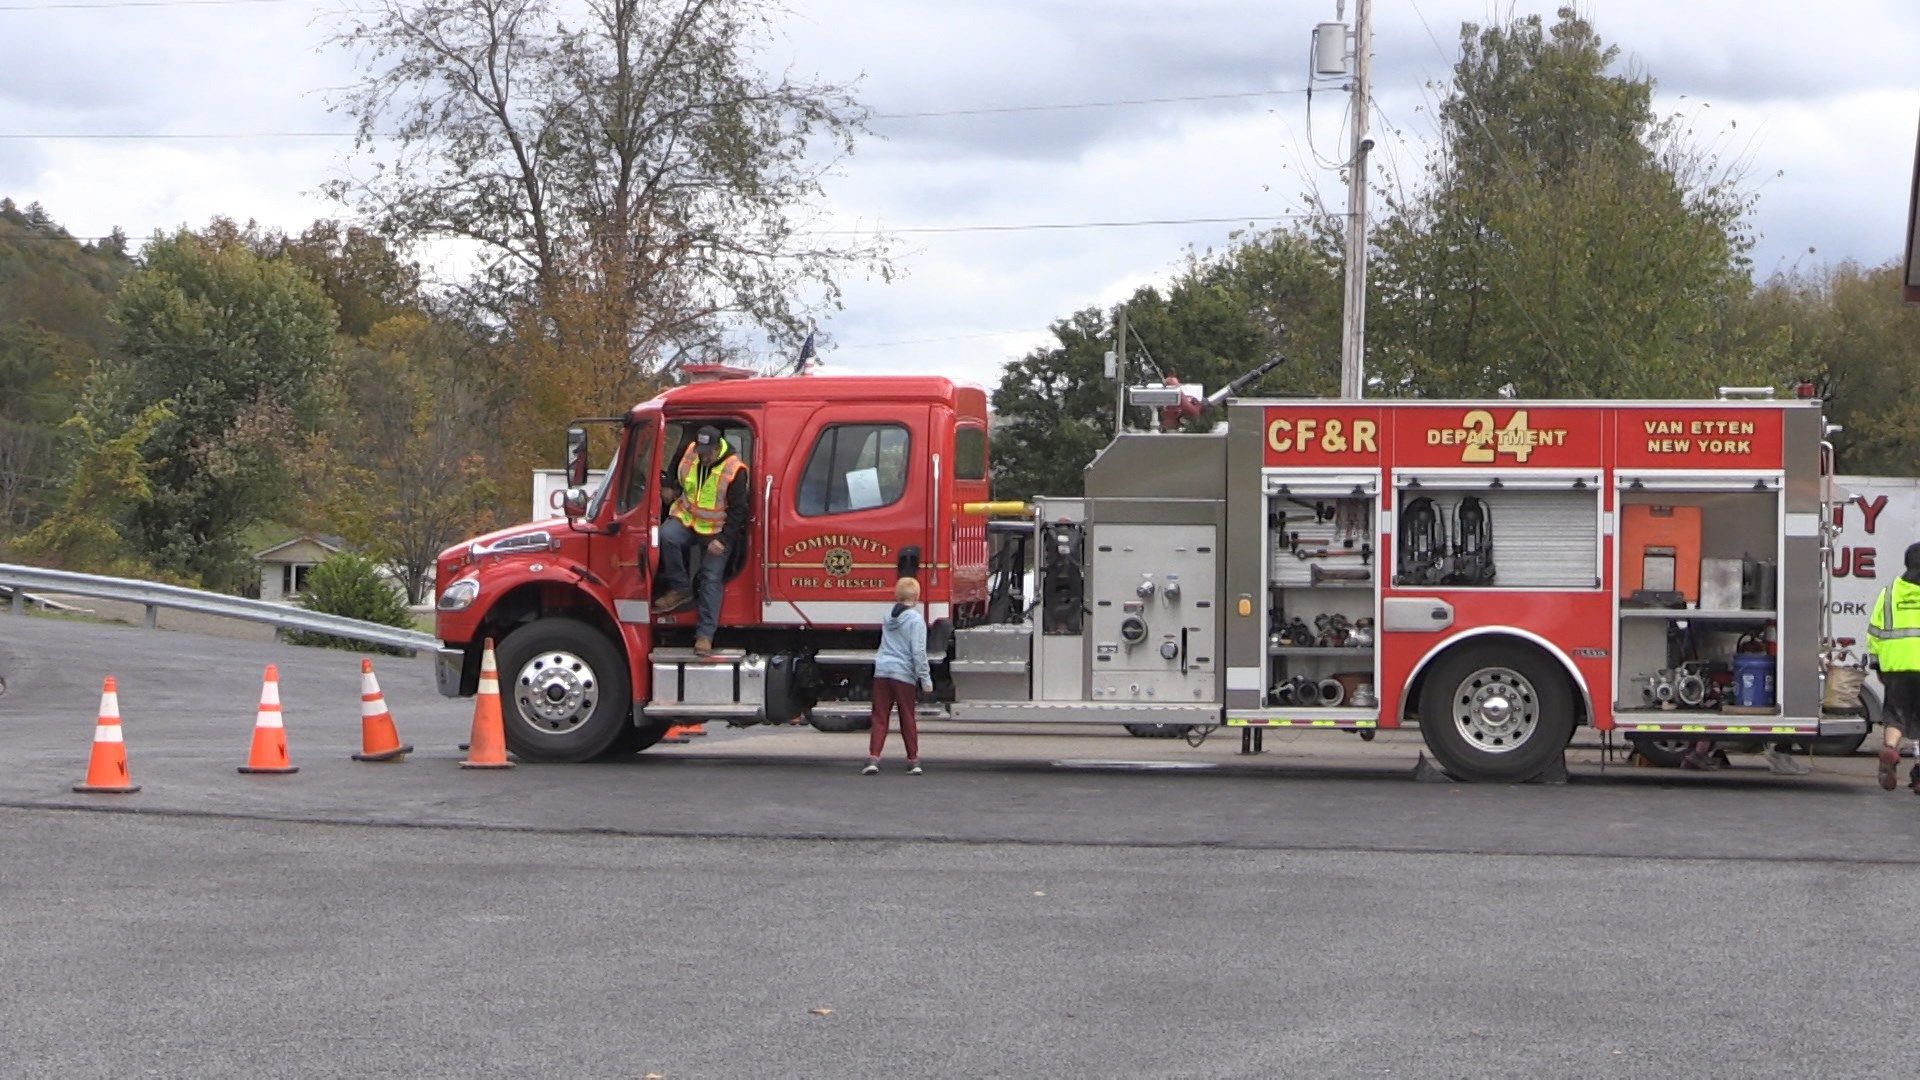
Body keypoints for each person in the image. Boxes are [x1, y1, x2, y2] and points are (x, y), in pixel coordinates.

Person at [656, 425, 749, 657]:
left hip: (715, 532)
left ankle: (705, 635)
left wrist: (723, 540)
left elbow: (739, 511)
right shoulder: (690, 453)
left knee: (710, 577)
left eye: (707, 452)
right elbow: (673, 472)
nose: (702, 455)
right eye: (700, 450)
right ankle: (680, 588)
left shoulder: (734, 469)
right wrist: (669, 488)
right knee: (666, 536)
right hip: (688, 520)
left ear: (718, 448)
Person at [864, 576, 933, 776]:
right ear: (917, 596)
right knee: (907, 716)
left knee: (879, 716)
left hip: (882, 670)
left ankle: (873, 758)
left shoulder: (888, 617)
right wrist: (925, 678)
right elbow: (918, 652)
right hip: (903, 673)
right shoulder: (916, 620)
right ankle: (913, 760)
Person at [1866, 541, 1920, 794]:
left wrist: (1877, 664)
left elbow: (1874, 632)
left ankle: (1890, 748)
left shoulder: (1888, 593)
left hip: (1896, 666)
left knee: (1896, 716)